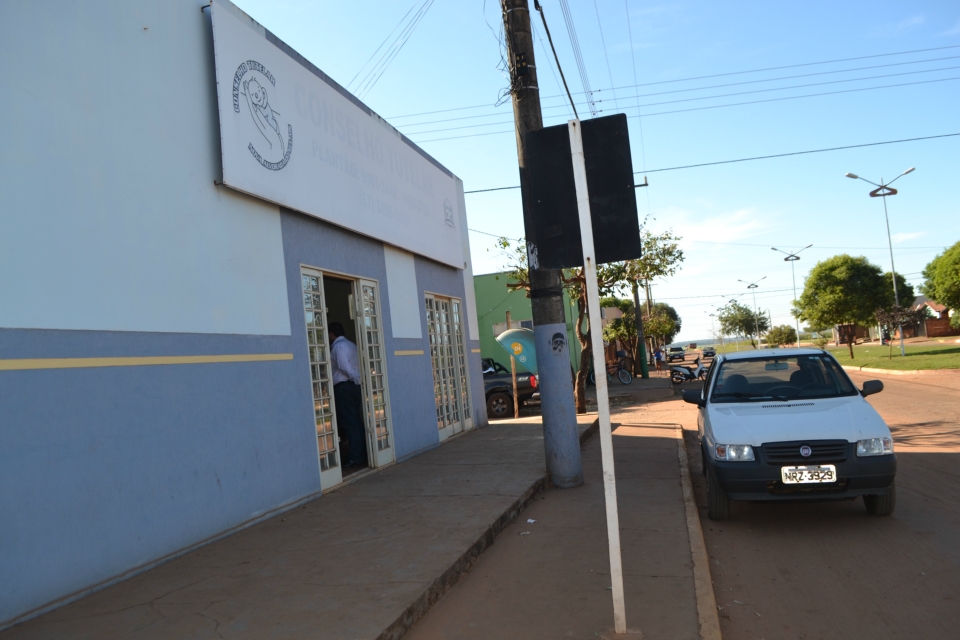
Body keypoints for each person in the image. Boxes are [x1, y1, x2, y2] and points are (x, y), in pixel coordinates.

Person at [329, 322, 367, 467]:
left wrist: (354, 378)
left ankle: (355, 456)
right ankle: (361, 452)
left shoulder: (338, 347)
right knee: (356, 422)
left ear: (332, 334)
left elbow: (345, 367)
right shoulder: (351, 345)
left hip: (345, 387)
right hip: (354, 387)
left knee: (350, 423)